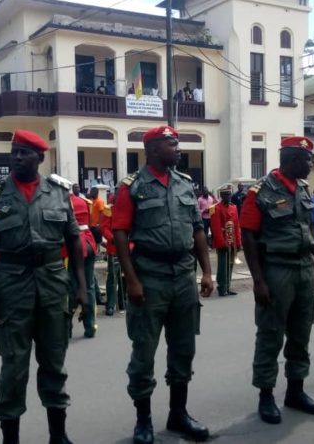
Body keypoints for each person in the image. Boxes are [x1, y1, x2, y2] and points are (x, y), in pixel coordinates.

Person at [0, 129, 85, 444]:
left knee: (54, 360)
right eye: (14, 152)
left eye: (25, 152)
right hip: (11, 283)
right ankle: (11, 437)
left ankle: (58, 434)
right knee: (13, 366)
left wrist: (82, 287)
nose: (18, 158)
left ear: (40, 157)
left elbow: (74, 240)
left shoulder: (58, 192)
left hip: (52, 282)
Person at [112, 125, 214, 444]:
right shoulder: (132, 187)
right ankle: (143, 420)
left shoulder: (185, 184)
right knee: (144, 352)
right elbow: (119, 234)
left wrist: (207, 272)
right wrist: (132, 280)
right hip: (150, 274)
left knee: (183, 349)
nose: (178, 148)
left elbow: (198, 230)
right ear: (153, 149)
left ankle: (178, 414)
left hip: (183, 274)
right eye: (172, 144)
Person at [240, 136, 314, 424]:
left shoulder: (301, 189)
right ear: (291, 160)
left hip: (303, 268)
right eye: (308, 160)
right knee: (271, 335)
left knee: (301, 333)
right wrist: (258, 280)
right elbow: (248, 237)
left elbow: (309, 230)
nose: (311, 165)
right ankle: (266, 396)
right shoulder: (260, 192)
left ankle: (296, 391)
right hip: (276, 269)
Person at [69, 188, 98, 338]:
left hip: (72, 247)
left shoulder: (63, 202)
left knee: (70, 288)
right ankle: (90, 325)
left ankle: (66, 327)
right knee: (89, 287)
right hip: (88, 242)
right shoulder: (83, 202)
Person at [210, 184, 241, 297]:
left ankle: (228, 286)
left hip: (232, 240)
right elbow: (216, 227)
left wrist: (238, 242)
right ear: (221, 195)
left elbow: (237, 226)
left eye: (229, 194)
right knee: (223, 265)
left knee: (230, 264)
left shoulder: (234, 207)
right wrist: (221, 242)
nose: (228, 196)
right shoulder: (215, 208)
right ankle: (221, 287)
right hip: (223, 241)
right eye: (226, 194)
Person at [100, 199, 126, 316]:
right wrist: (112, 238)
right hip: (114, 247)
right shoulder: (108, 209)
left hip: (127, 247)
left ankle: (122, 302)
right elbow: (104, 228)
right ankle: (110, 304)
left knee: (125, 277)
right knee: (112, 276)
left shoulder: (128, 207)